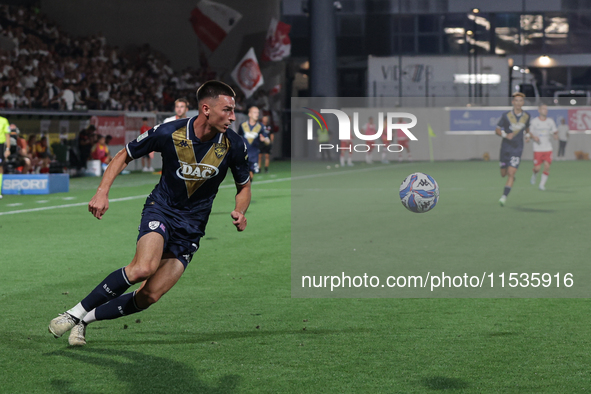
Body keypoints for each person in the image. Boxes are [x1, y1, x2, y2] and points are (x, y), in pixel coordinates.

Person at [48, 80, 251, 346]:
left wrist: (240, 209)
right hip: (162, 208)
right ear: (206, 109)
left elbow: (244, 185)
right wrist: (102, 191)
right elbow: (125, 154)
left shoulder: (234, 145)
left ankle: (86, 321)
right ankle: (73, 314)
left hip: (192, 226)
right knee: (143, 268)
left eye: (233, 110)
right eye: (227, 110)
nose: (233, 117)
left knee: (149, 296)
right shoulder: (169, 132)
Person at [495, 92, 531, 207]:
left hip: (517, 148)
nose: (518, 103)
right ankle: (510, 176)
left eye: (521, 101)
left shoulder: (526, 116)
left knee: (511, 173)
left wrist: (528, 136)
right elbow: (497, 130)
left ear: (523, 102)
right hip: (505, 148)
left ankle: (503, 197)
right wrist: (505, 135)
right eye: (517, 100)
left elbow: (528, 129)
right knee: (503, 173)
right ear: (513, 102)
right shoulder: (506, 115)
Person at [238, 106, 270, 179]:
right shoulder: (243, 125)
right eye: (255, 112)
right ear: (249, 114)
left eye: (258, 112)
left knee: (250, 175)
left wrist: (264, 140)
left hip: (254, 156)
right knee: (242, 176)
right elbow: (238, 138)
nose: (257, 114)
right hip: (243, 155)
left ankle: (247, 189)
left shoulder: (260, 126)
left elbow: (268, 141)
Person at [529, 104, 556, 191]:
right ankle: (534, 175)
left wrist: (556, 135)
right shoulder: (534, 122)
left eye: (546, 109)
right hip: (538, 148)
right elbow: (530, 132)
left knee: (547, 166)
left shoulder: (550, 121)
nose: (545, 110)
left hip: (548, 148)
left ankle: (542, 185)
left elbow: (554, 131)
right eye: (543, 109)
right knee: (537, 168)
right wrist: (534, 137)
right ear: (539, 110)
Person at [0, 115, 10, 199]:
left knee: (0, 166)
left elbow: (7, 136)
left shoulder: (3, 121)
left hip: (0, 145)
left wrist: (7, 148)